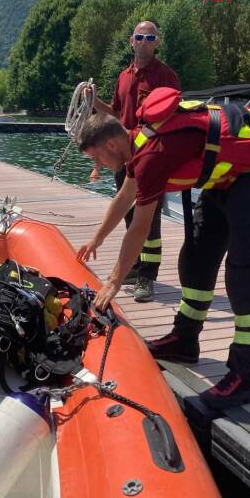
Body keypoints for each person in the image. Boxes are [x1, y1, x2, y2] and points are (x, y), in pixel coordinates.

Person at [76, 88, 250, 409]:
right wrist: (97, 239)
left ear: (110, 144)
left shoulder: (151, 157)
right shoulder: (138, 143)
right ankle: (185, 340)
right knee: (196, 259)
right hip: (221, 181)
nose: (97, 164)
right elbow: (124, 198)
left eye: (96, 157)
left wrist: (115, 281)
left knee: (244, 274)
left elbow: (139, 227)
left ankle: (245, 373)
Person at [90, 20, 179, 303]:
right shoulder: (123, 76)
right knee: (129, 214)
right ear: (131, 41)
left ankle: (147, 276)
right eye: (139, 36)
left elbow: (173, 118)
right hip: (125, 156)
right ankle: (135, 266)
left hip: (152, 157)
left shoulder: (166, 76)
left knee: (149, 220)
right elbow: (116, 113)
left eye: (149, 37)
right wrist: (94, 101)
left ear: (157, 42)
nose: (143, 41)